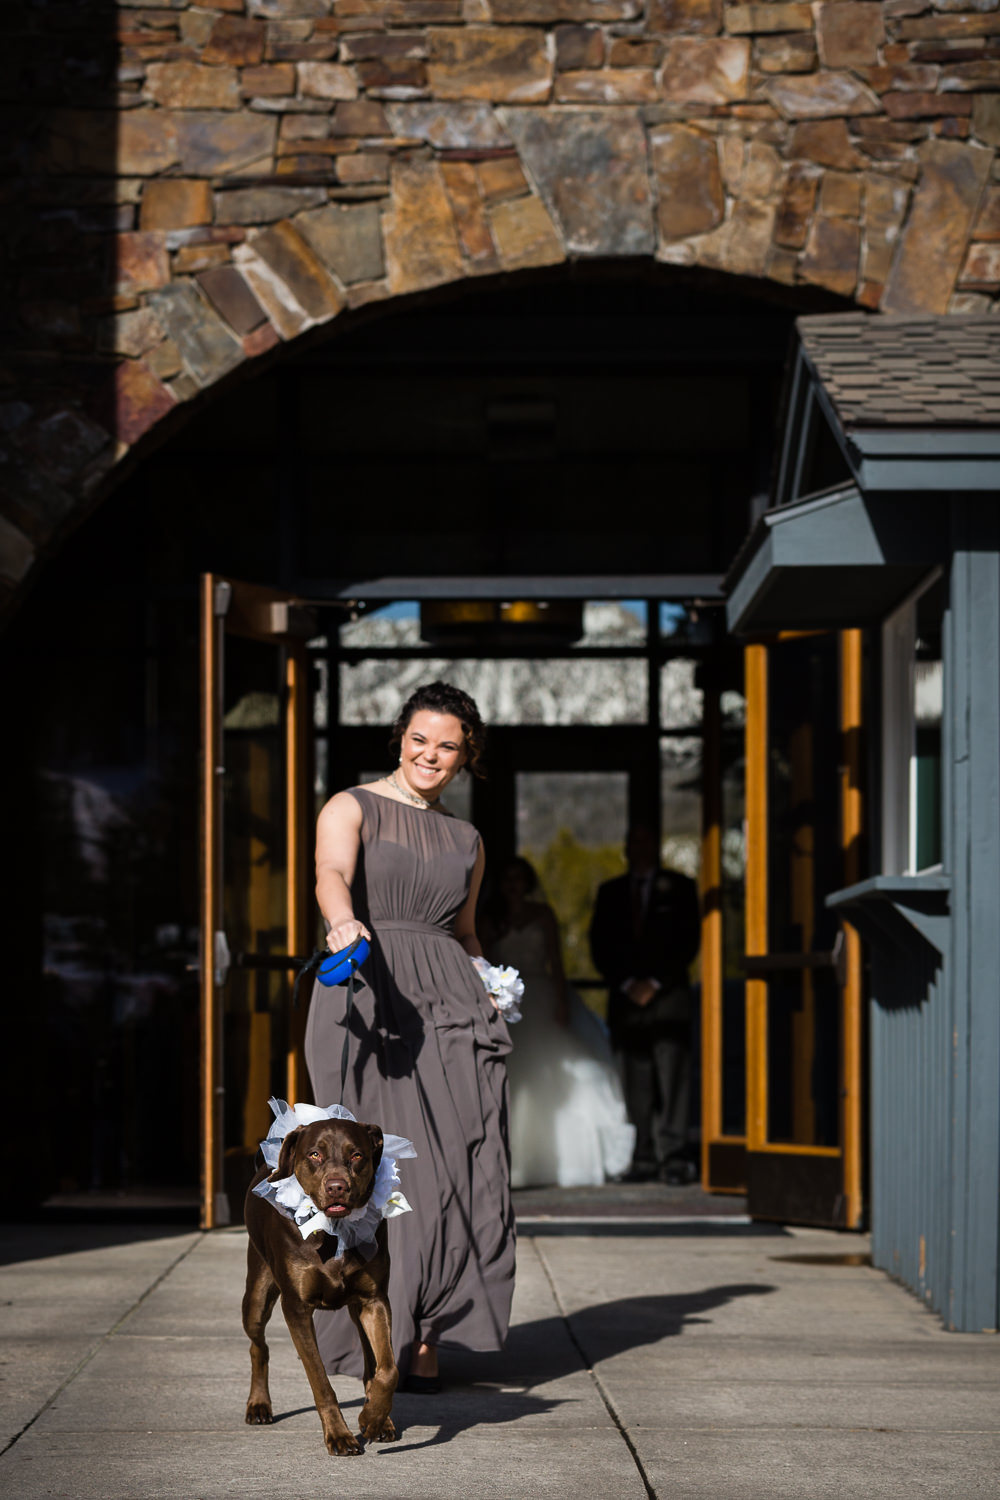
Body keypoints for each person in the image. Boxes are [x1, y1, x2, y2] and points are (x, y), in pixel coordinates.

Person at [304, 681, 514, 1393]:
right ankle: (371, 1327)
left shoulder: (468, 839)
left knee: (458, 1169)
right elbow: (330, 873)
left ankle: (429, 1333)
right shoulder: (351, 805)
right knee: (384, 1173)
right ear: (400, 737)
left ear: (466, 756)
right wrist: (341, 920)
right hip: (371, 994)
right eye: (420, 738)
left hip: (450, 1003)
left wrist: (490, 980)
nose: (431, 753)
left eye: (447, 745)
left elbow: (465, 932)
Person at [484, 858, 635, 1189]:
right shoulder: (489, 919)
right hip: (505, 1001)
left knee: (558, 1073)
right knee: (514, 1078)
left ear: (528, 882)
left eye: (519, 878)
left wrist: (563, 1001)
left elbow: (556, 959)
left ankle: (560, 1161)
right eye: (508, 878)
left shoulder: (543, 915)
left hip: (541, 997)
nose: (513, 885)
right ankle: (514, 1162)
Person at [589, 825, 701, 1184]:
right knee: (633, 1082)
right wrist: (626, 983)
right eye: (633, 842)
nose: (639, 847)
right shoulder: (611, 892)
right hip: (626, 1002)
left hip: (668, 1000)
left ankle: (675, 1158)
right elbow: (600, 944)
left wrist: (654, 983)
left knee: (674, 1080)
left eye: (645, 841)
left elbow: (689, 940)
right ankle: (642, 1157)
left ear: (656, 847)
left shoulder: (681, 887)